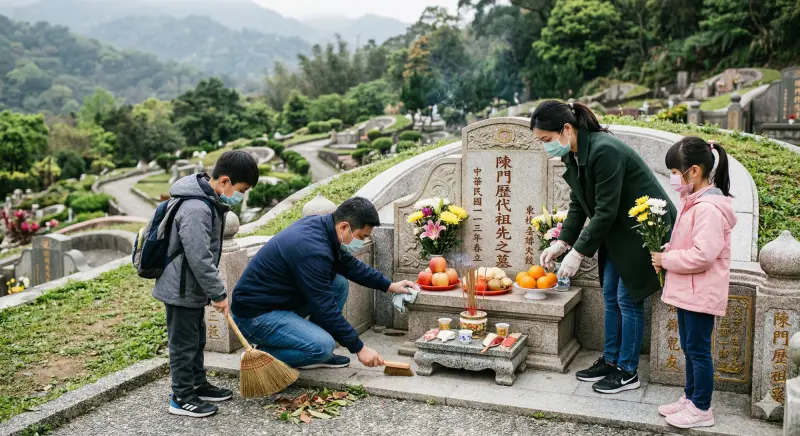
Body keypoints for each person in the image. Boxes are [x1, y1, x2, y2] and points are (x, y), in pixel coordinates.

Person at [532, 100, 677, 394]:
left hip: (641, 229)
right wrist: (562, 242)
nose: (546, 147)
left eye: (547, 140)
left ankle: (627, 370)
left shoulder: (604, 150)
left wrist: (578, 253)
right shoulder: (574, 155)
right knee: (610, 294)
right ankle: (610, 360)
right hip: (616, 231)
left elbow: (606, 210)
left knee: (627, 298)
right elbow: (579, 203)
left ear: (567, 129)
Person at [231, 197, 418, 370]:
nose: (362, 242)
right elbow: (324, 307)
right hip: (254, 315)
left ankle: (311, 350)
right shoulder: (312, 250)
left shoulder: (324, 228)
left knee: (338, 284)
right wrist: (359, 348)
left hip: (279, 301)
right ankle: (259, 356)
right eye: (361, 236)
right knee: (323, 346)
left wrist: (389, 286)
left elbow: (350, 265)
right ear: (344, 227)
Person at [152, 150, 258, 418]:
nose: (241, 195)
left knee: (196, 338)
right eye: (241, 189)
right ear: (224, 181)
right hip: (180, 287)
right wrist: (218, 293)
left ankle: (197, 384)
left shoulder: (206, 200)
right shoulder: (197, 208)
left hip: (190, 286)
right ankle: (181, 396)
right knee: (183, 343)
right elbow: (199, 257)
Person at [651, 137, 736, 428]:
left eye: (676, 172)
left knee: (698, 350)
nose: (674, 179)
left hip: (701, 291)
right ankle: (690, 398)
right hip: (691, 291)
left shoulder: (708, 208)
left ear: (695, 171)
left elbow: (703, 255)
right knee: (690, 347)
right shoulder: (694, 203)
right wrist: (669, 252)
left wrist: (667, 260)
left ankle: (702, 409)